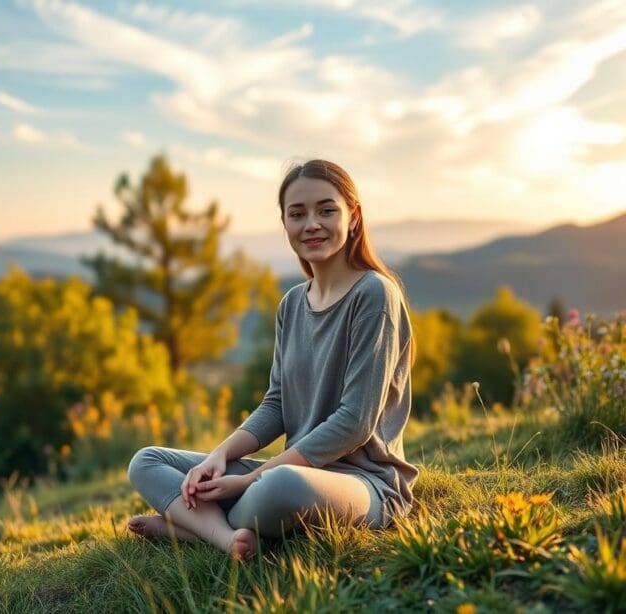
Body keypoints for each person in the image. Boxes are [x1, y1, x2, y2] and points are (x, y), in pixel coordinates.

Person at [126, 159, 419, 561]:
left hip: (364, 484)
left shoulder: (375, 295)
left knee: (279, 487)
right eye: (297, 214)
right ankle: (227, 538)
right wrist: (220, 457)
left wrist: (247, 482)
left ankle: (194, 527)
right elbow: (277, 404)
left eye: (326, 209)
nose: (311, 223)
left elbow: (355, 422)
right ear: (285, 225)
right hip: (292, 469)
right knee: (148, 461)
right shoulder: (292, 304)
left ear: (353, 218)